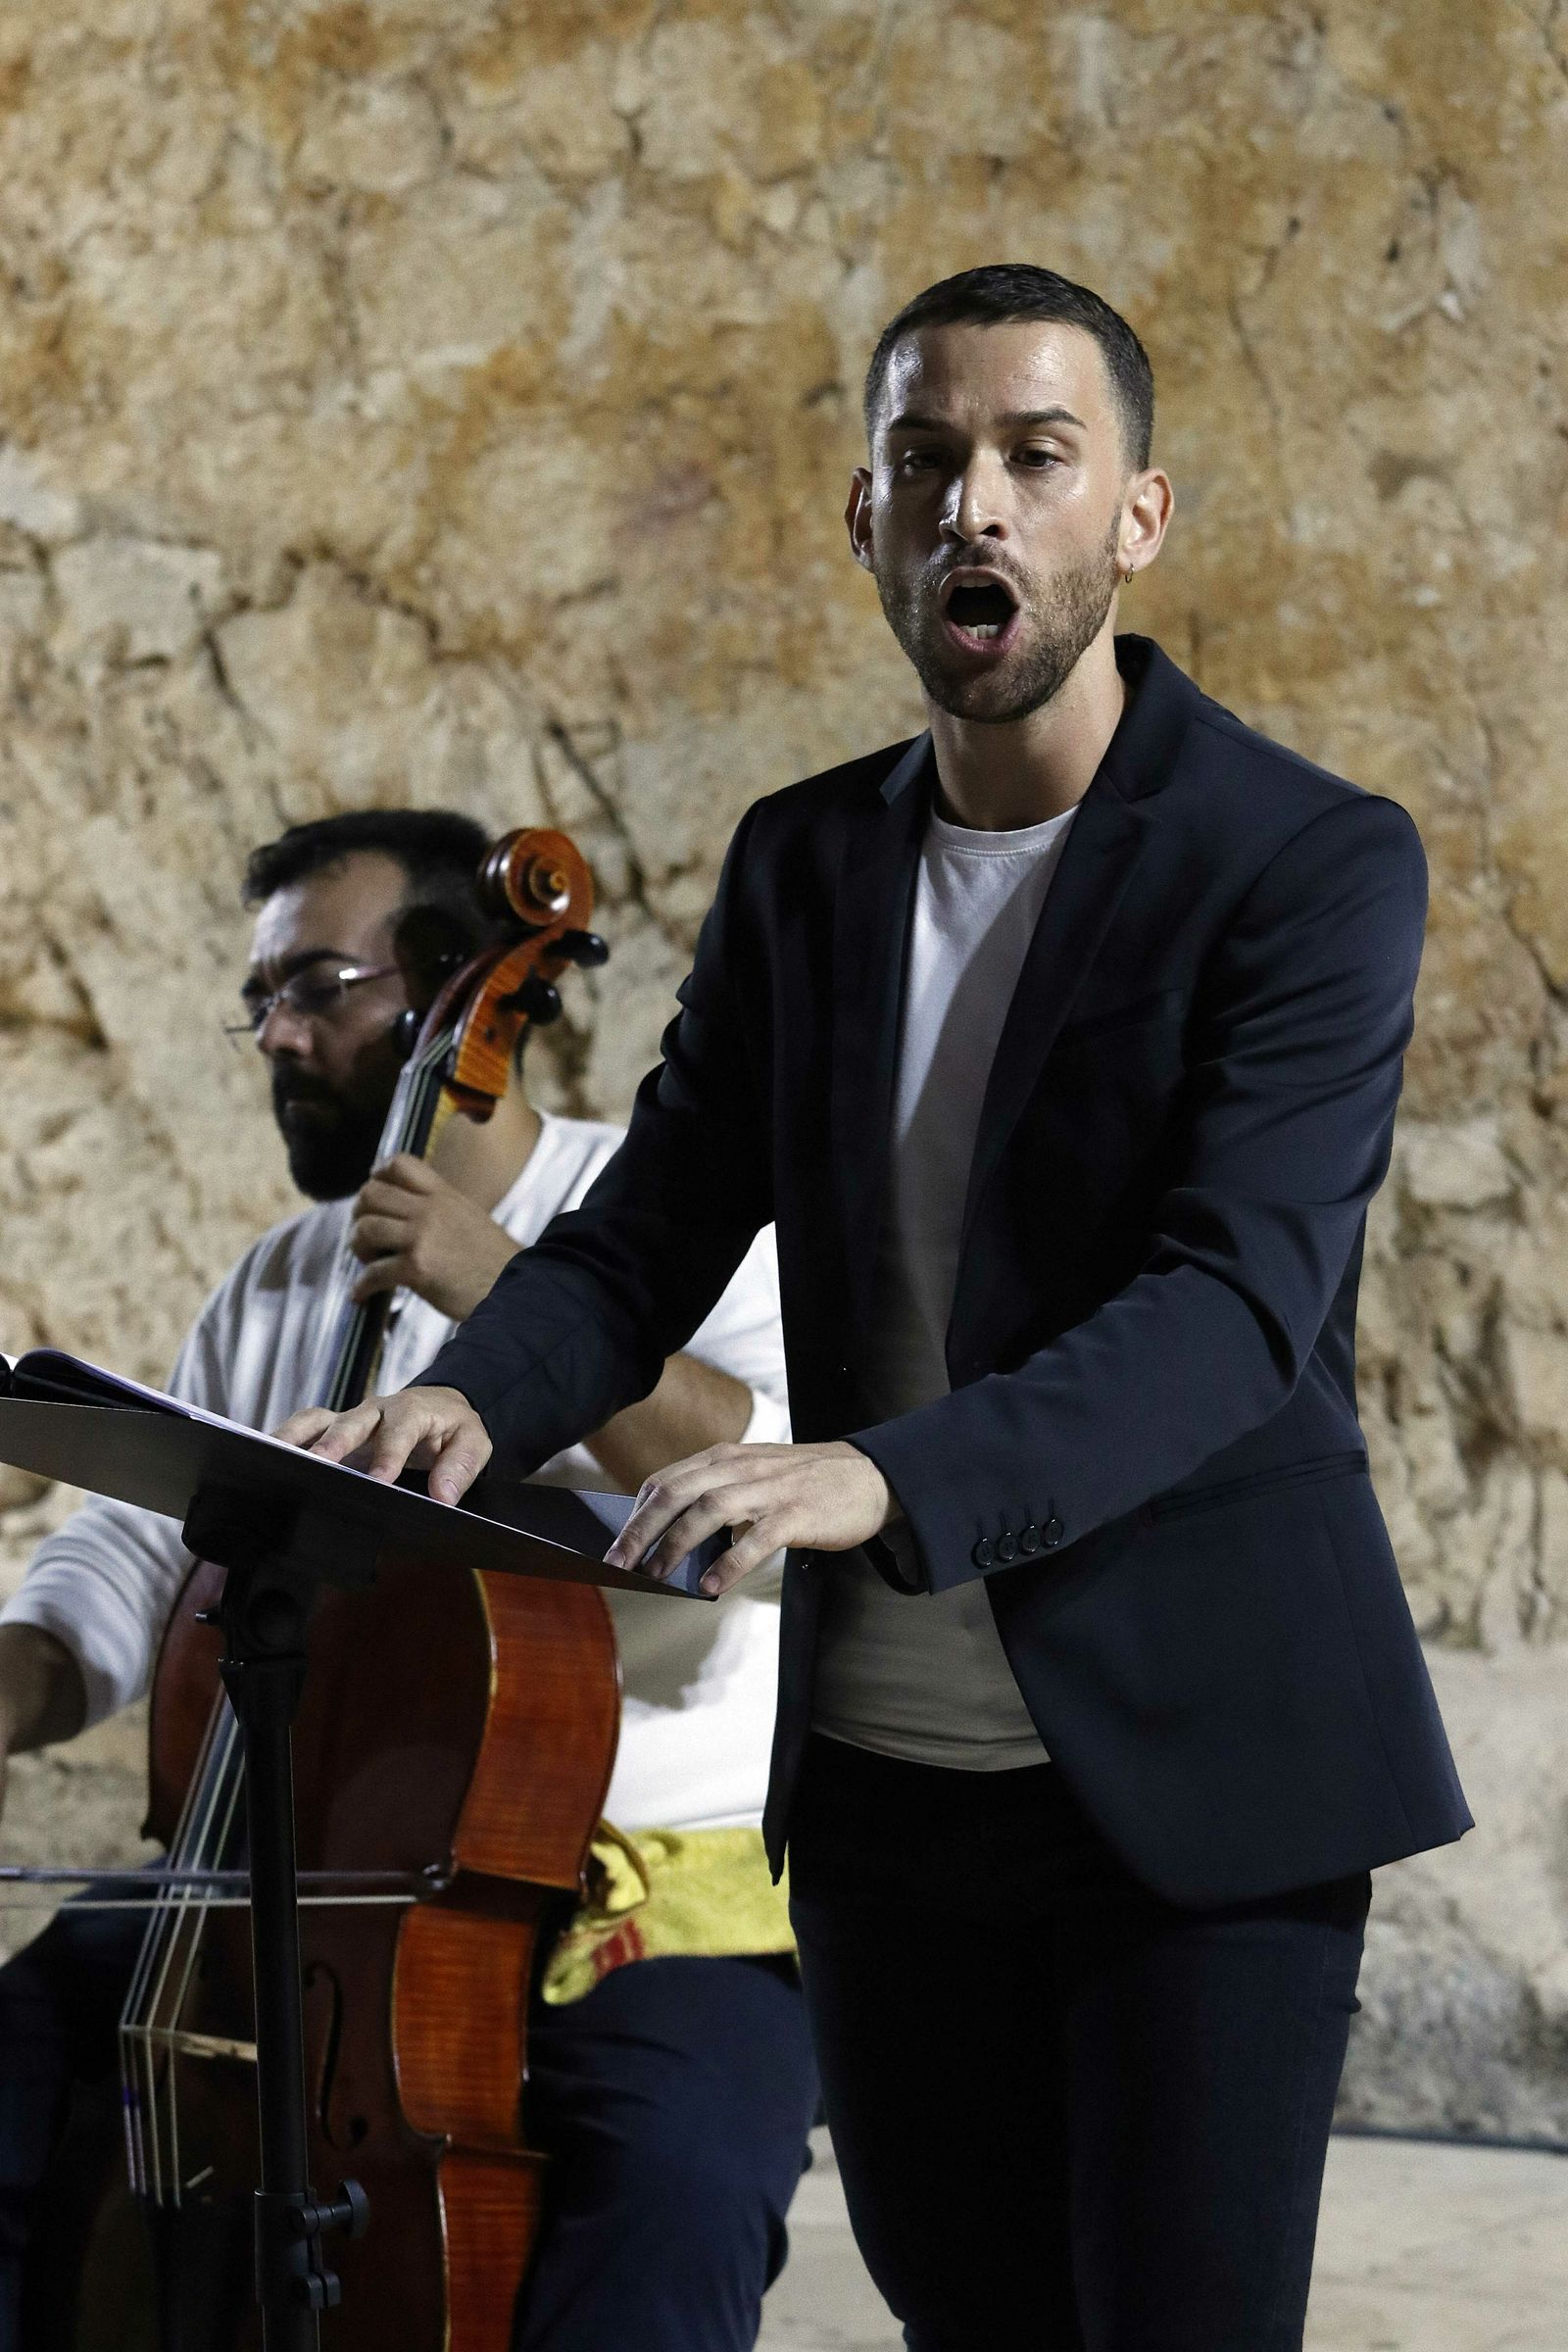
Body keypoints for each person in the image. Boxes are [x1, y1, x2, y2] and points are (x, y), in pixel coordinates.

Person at [283, 267, 1473, 2351]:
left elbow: (1229, 1307)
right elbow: (640, 1233)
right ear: (865, 521)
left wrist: (873, 1473)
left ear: (1137, 517)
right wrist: (468, 1403)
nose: (973, 507)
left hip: (1197, 1774)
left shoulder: (1300, 859)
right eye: (925, 462)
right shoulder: (803, 864)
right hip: (884, 1795)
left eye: (1035, 456)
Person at [0, 809, 818, 2351]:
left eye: (316, 988)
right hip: (316, 1884)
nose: (278, 1038)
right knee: (32, 2034)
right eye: (263, 1003)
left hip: (641, 1910)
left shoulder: (681, 1217)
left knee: (679, 2194)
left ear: (454, 980)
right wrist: (21, 1674)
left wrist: (505, 1294)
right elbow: (141, 1548)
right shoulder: (285, 1273)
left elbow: (762, 1468)